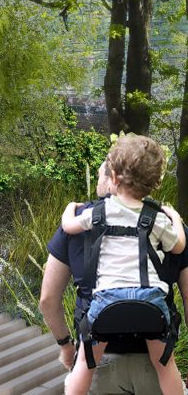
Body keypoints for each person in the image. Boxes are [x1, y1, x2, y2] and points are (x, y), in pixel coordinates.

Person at [41, 136, 188, 395]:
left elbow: (47, 300)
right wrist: (176, 218)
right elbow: (179, 248)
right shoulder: (160, 220)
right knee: (165, 364)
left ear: (113, 179)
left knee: (85, 362)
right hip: (151, 318)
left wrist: (66, 346)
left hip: (103, 331)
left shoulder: (89, 216)